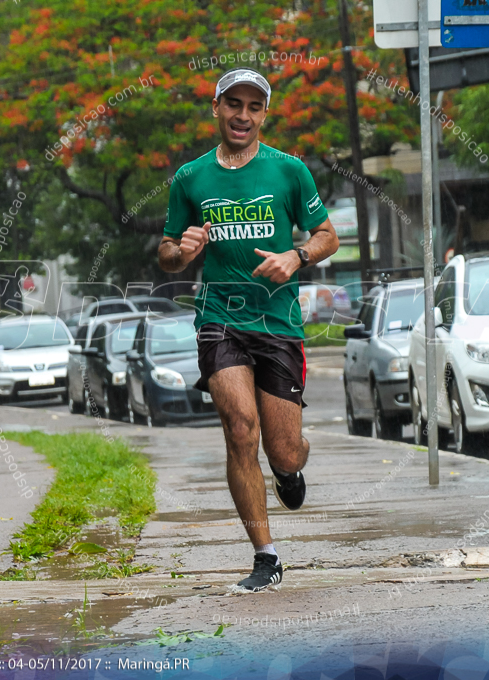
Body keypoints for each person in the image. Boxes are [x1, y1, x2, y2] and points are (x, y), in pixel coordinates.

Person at [158, 68, 339, 592]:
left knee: (283, 449)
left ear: (264, 114)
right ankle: (266, 556)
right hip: (220, 319)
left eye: (253, 107)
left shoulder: (288, 171)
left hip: (278, 322)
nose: (242, 115)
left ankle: (288, 470)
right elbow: (168, 252)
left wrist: (296, 255)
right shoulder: (190, 178)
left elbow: (328, 235)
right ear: (215, 108)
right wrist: (182, 251)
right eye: (233, 104)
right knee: (241, 430)